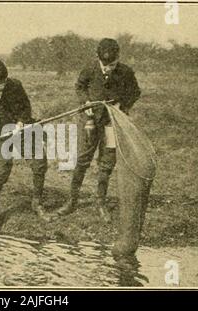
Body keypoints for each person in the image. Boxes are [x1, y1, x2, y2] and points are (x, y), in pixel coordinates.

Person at [56, 38, 141, 222]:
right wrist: (85, 102)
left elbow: (135, 92)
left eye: (112, 64)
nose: (108, 68)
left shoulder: (126, 72)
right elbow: (79, 86)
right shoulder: (90, 69)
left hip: (112, 123)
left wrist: (122, 105)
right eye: (105, 64)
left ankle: (101, 203)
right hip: (90, 121)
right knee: (83, 159)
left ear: (118, 57)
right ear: (97, 57)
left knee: (107, 161)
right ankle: (72, 201)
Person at [0, 59, 48, 237]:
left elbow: (26, 107)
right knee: (2, 170)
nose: (2, 86)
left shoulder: (15, 85)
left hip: (21, 129)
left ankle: (37, 202)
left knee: (39, 163)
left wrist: (21, 122)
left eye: (4, 81)